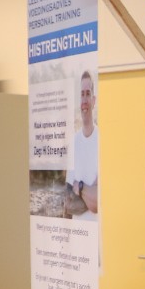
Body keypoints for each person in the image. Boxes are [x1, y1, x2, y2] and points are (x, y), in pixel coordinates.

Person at [67, 70, 98, 217]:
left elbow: (97, 203)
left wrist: (79, 187)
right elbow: (69, 204)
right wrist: (89, 190)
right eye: (82, 94)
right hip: (78, 230)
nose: (84, 100)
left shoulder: (101, 140)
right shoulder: (74, 142)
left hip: (97, 230)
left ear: (93, 100)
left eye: (88, 94)